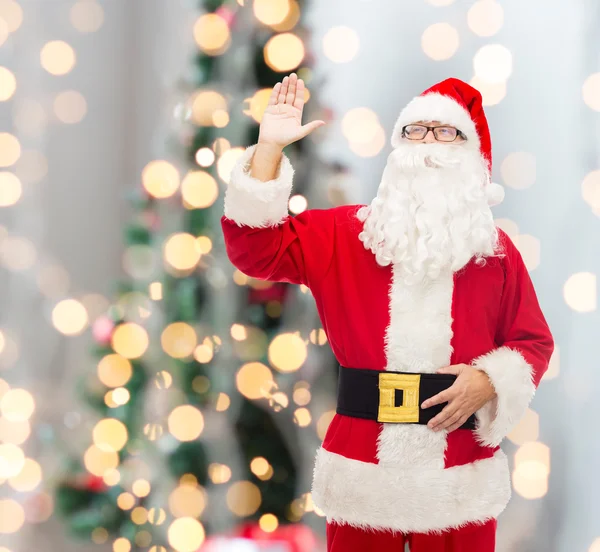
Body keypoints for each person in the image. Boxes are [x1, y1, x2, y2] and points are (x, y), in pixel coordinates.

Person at [221, 74, 554, 552]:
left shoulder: (496, 254)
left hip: (458, 478)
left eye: (446, 132)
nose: (429, 145)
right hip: (364, 474)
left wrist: (490, 381)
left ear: (472, 153)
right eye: (416, 131)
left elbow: (533, 342)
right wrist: (269, 150)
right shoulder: (344, 234)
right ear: (398, 146)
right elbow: (256, 249)